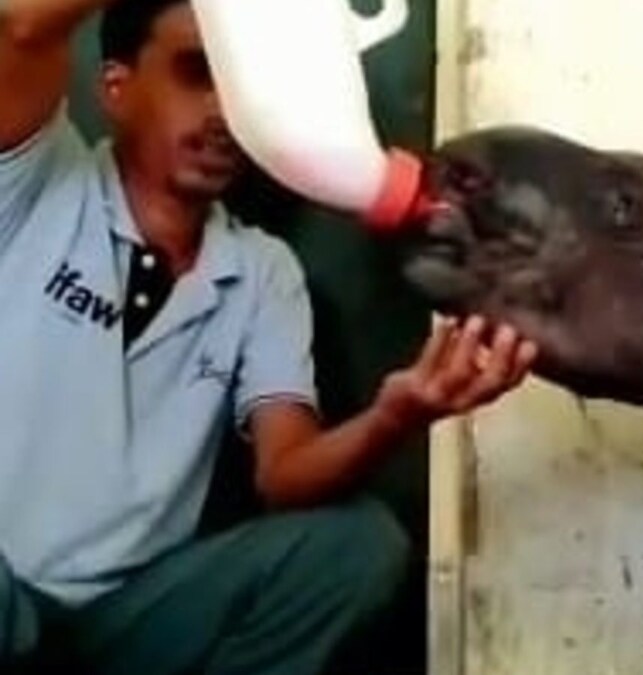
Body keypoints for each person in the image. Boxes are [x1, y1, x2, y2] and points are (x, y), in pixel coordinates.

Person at [0, 0, 537, 672]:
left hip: (122, 623)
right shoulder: (36, 177)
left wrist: (400, 413)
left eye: (241, 84)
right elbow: (21, 25)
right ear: (116, 87)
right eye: (198, 72)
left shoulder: (259, 271)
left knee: (358, 547)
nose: (226, 113)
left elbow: (286, 473)